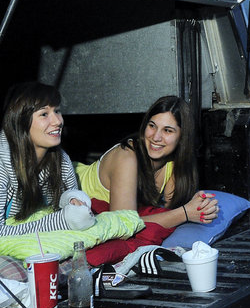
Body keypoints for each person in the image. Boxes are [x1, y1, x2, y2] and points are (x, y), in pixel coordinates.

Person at [75, 95, 219, 228]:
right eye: (152, 126)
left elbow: (166, 212)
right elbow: (122, 224)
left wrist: (202, 205)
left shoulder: (172, 163)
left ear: (182, 138)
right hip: (66, 183)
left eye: (167, 130)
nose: (156, 137)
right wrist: (185, 213)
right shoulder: (127, 157)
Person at [0, 82, 95, 238]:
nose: (58, 121)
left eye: (57, 111)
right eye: (44, 114)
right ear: (20, 120)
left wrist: (73, 201)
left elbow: (71, 199)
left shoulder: (60, 159)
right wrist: (62, 221)